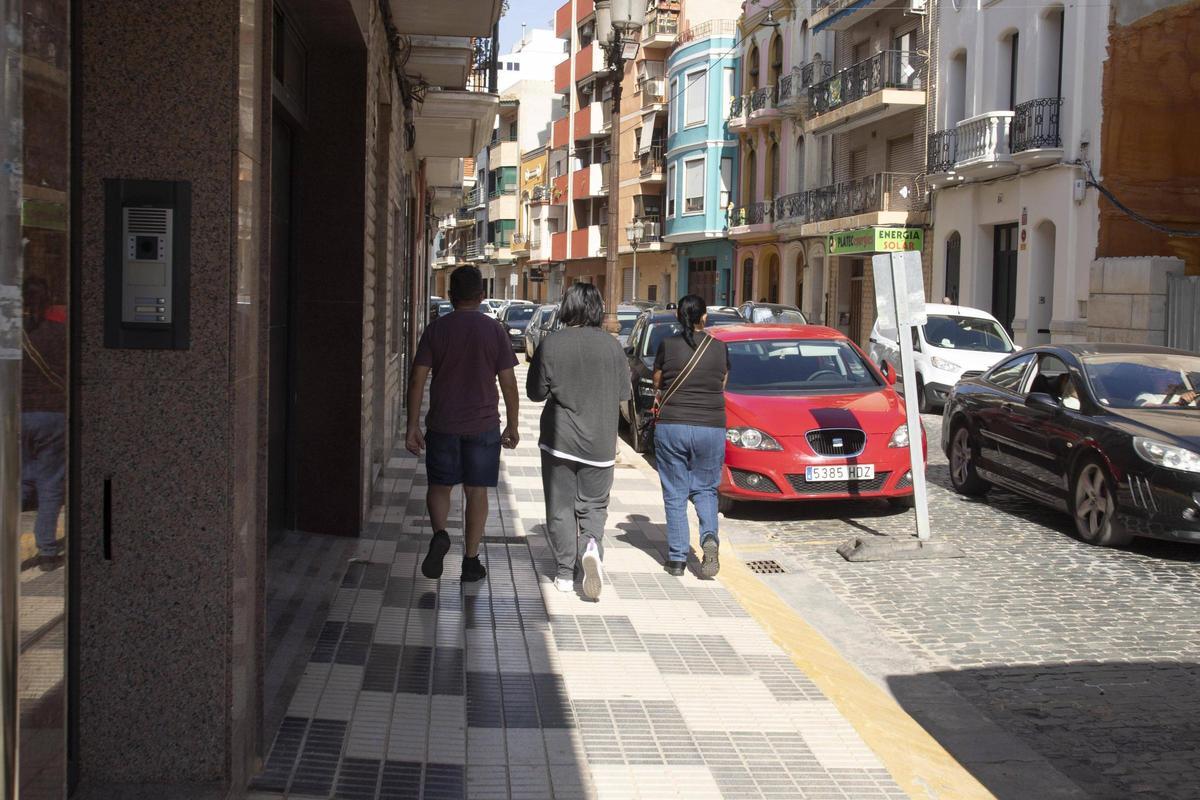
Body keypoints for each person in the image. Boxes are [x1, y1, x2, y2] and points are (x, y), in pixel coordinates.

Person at [406, 266, 520, 583]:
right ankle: (470, 561)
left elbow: (417, 379)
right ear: (481, 296)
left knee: (440, 486)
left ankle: (440, 534)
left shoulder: (436, 330)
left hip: (443, 423)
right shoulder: (494, 330)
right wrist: (512, 424)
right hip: (483, 426)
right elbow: (509, 383)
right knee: (476, 491)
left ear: (450, 295)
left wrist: (412, 424)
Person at [527, 284, 630, 600]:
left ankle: (563, 574)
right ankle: (590, 545)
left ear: (566, 307)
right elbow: (625, 395)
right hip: (600, 443)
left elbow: (535, 393)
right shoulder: (613, 347)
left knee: (560, 508)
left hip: (560, 441)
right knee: (594, 506)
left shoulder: (552, 343)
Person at [652, 295, 729, 578]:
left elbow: (658, 380)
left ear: (678, 317)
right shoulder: (720, 348)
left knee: (675, 492)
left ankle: (676, 560)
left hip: (672, 424)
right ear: (704, 317)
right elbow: (722, 382)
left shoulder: (667, 345)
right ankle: (709, 537)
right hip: (711, 425)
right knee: (706, 488)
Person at [21, 276, 67, 571]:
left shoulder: (11, 334)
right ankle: (47, 551)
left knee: (20, 480)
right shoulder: (58, 333)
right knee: (50, 484)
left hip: (18, 414)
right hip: (52, 414)